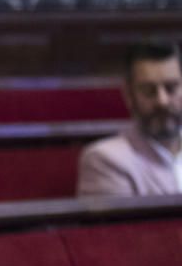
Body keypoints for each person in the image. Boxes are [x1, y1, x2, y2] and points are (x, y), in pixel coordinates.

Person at [78, 41, 182, 196]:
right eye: (149, 91)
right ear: (129, 95)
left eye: (171, 88)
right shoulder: (105, 160)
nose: (162, 101)